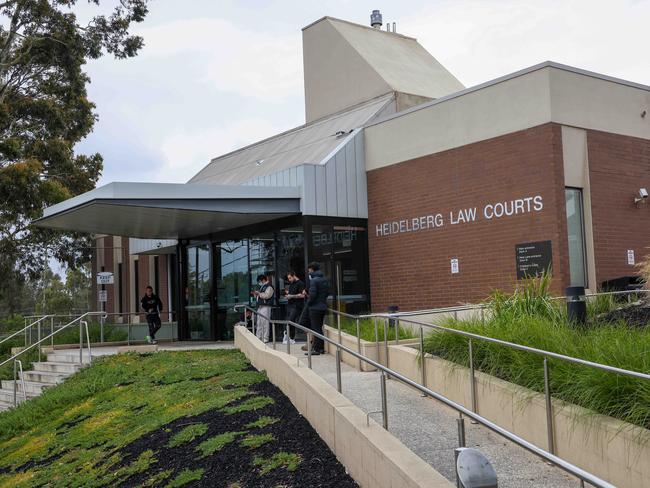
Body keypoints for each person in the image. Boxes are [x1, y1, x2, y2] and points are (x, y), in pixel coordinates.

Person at [305, 262, 329, 355]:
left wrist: (309, 303)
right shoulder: (324, 279)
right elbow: (327, 293)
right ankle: (320, 348)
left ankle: (318, 349)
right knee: (319, 327)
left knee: (316, 329)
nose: (308, 271)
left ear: (312, 269)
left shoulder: (314, 280)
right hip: (323, 307)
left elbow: (312, 295)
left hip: (315, 308)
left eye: (309, 269)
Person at [284, 271, 305, 345]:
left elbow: (302, 295)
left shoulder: (300, 283)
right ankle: (291, 338)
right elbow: (292, 294)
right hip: (290, 305)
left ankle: (289, 336)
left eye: (290, 278)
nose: (289, 280)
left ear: (294, 276)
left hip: (297, 305)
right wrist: (288, 295)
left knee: (291, 320)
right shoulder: (291, 284)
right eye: (288, 278)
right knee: (290, 321)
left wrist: (291, 296)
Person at [253, 274, 274, 343]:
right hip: (260, 306)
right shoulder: (262, 287)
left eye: (260, 281)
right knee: (259, 322)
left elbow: (267, 295)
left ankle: (265, 338)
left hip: (266, 306)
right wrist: (256, 294)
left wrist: (259, 294)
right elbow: (261, 295)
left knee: (265, 322)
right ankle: (258, 336)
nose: (259, 283)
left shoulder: (269, 286)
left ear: (263, 280)